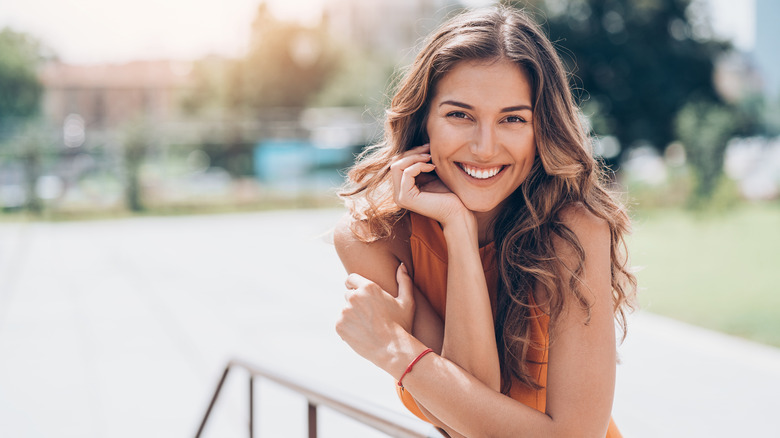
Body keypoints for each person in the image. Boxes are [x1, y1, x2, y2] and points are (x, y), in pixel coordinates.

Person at [333, 6, 636, 438]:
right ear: (424, 121)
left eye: (513, 119)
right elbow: (462, 419)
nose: (484, 146)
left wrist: (392, 347)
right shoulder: (373, 239)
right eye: (460, 115)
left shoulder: (574, 229)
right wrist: (459, 230)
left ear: (541, 129)